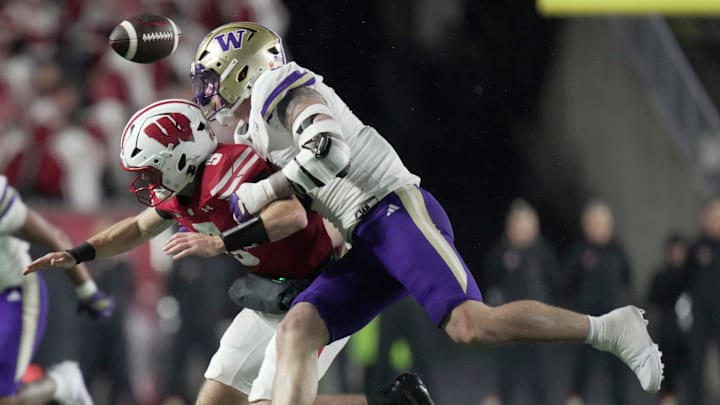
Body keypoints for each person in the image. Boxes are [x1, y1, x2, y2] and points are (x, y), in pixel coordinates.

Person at [186, 22, 664, 404]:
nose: (206, 92)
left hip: (395, 210)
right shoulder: (255, 128)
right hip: (364, 237)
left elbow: (329, 150)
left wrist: (263, 191)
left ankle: (608, 327)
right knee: (297, 330)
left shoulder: (278, 86)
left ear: (242, 69)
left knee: (471, 325)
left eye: (211, 78)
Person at [23, 99, 434, 405]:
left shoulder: (231, 171)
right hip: (276, 293)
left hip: (323, 288)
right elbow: (136, 227)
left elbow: (290, 214)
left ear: (178, 157)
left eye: (149, 170)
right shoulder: (181, 191)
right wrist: (79, 253)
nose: (146, 182)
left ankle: (391, 403)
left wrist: (221, 242)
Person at [0, 174, 114, 405]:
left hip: (13, 294)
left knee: (4, 397)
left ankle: (62, 383)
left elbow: (53, 238)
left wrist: (86, 290)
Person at [481, 199, 559, 405]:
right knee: (506, 374)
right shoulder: (502, 252)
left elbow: (555, 282)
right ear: (510, 229)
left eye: (528, 227)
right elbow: (491, 278)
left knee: (541, 377)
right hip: (509, 324)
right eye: (519, 227)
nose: (523, 233)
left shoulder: (542, 252)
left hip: (538, 325)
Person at [561, 200, 634, 405]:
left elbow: (627, 278)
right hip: (588, 321)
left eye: (603, 224)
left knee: (618, 373)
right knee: (581, 369)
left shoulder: (618, 249)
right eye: (594, 224)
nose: (599, 229)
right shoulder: (579, 251)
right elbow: (566, 283)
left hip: (615, 323)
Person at [648, 232, 691, 405]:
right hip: (668, 332)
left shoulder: (693, 275)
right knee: (668, 374)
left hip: (690, 334)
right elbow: (653, 298)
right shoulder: (662, 275)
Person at [685, 198, 720, 405]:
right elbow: (684, 280)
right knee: (695, 366)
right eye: (712, 217)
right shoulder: (697, 248)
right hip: (701, 316)